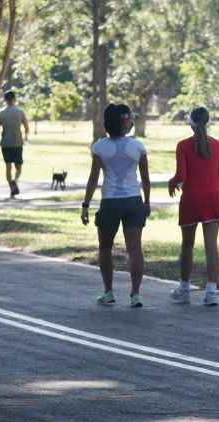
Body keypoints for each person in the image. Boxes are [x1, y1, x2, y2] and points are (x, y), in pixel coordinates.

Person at [81, 104, 151, 308]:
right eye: (129, 119)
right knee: (135, 249)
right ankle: (135, 294)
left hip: (110, 202)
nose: (131, 122)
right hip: (133, 200)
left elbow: (94, 178)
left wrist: (85, 204)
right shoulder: (137, 147)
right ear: (124, 122)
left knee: (105, 248)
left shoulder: (99, 147)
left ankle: (108, 292)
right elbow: (145, 179)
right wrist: (147, 202)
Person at [168, 107, 219, 306]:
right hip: (214, 199)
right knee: (211, 246)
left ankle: (184, 289)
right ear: (208, 122)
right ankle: (211, 292)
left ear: (190, 123)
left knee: (187, 245)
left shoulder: (183, 146)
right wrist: (213, 192)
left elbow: (181, 177)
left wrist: (172, 182)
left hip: (192, 200)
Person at [0, 91, 29, 198]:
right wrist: (26, 137)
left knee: (8, 167)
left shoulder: (0, 113)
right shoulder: (20, 112)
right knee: (18, 167)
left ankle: (11, 186)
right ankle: (15, 180)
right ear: (14, 99)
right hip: (17, 143)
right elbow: (26, 127)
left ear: (5, 100)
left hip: (5, 144)